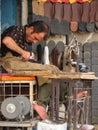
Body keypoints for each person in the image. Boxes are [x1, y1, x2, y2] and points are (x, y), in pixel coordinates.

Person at [0, 21, 63, 120]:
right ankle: (41, 104)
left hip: (16, 62)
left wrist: (26, 57)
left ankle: (66, 95)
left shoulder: (26, 40)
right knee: (47, 70)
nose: (34, 42)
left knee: (52, 70)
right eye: (35, 38)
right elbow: (6, 41)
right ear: (31, 29)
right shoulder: (17, 30)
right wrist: (22, 52)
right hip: (6, 62)